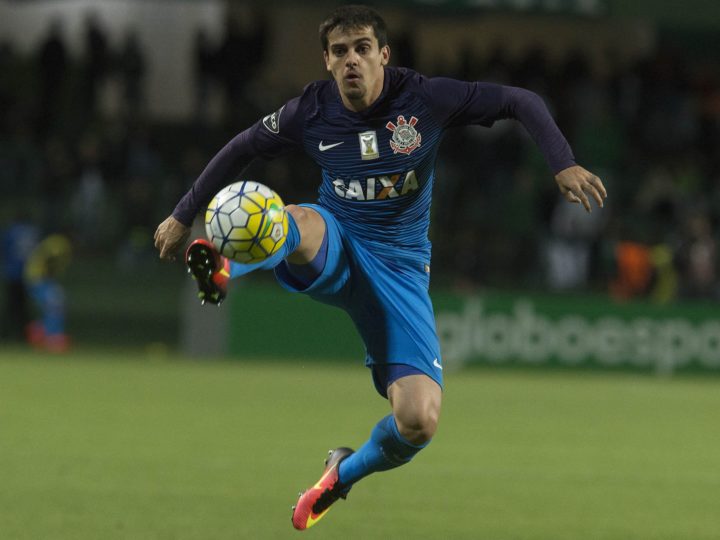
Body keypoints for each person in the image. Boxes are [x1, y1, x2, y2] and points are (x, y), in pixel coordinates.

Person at [154, 5, 607, 530]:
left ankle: (341, 474)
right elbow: (241, 148)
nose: (352, 61)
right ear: (326, 60)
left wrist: (562, 160)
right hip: (338, 239)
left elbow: (518, 99)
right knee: (296, 217)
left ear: (383, 55)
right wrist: (183, 212)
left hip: (400, 270)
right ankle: (227, 267)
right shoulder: (310, 110)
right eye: (340, 51)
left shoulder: (424, 99)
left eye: (362, 48)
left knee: (419, 421)